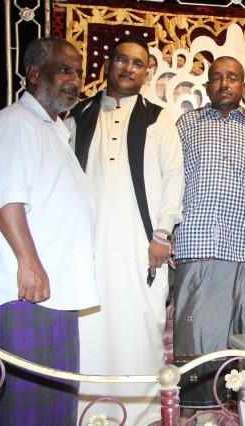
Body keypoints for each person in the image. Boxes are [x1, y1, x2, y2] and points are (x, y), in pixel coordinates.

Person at [66, 35, 184, 425]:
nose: (128, 68)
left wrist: (162, 235)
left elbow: (174, 178)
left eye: (137, 63)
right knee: (90, 325)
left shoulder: (158, 118)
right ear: (108, 64)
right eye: (121, 59)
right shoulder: (78, 115)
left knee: (140, 323)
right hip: (88, 243)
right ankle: (89, 411)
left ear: (147, 73)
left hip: (142, 243)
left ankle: (141, 413)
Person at [0, 37, 99, 425]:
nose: (75, 80)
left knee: (56, 406)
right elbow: (6, 200)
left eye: (78, 72)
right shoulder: (15, 123)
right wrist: (29, 264)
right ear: (34, 73)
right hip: (28, 295)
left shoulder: (54, 130)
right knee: (27, 409)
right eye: (64, 70)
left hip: (55, 296)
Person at [172, 56, 245, 418]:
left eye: (232, 77)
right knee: (197, 331)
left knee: (244, 332)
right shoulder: (187, 124)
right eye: (216, 77)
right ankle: (194, 413)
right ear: (207, 85)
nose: (224, 83)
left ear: (243, 86)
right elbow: (170, 180)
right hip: (197, 239)